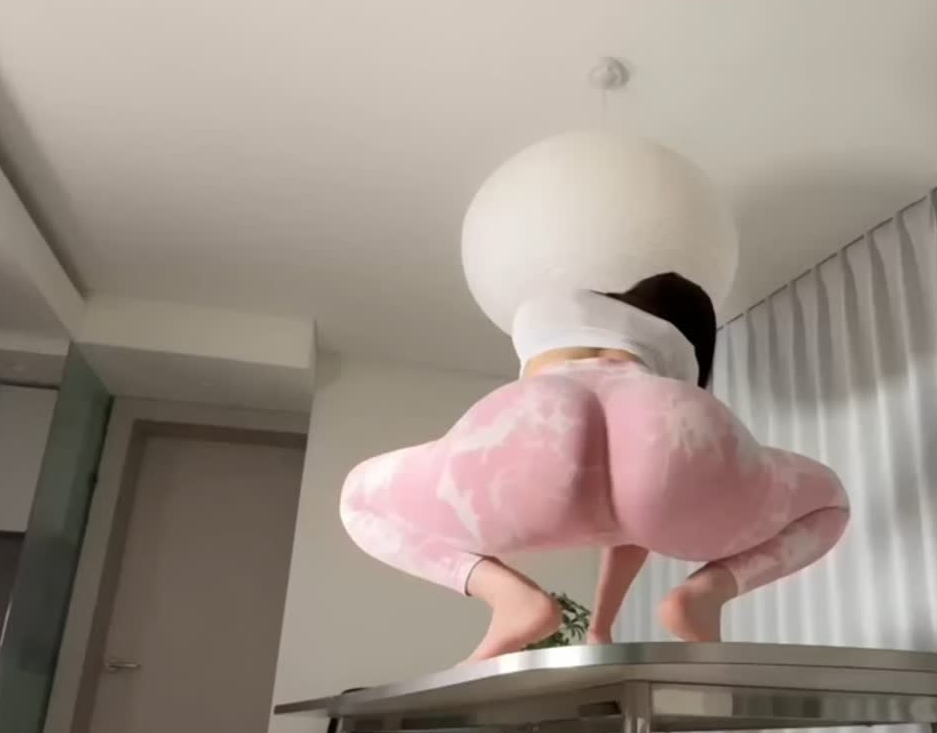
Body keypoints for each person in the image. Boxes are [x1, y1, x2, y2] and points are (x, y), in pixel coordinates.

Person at [340, 272, 849, 662]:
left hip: (532, 427)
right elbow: (636, 516)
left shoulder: (550, 303)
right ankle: (705, 593)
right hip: (668, 422)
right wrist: (600, 627)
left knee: (359, 500)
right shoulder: (677, 355)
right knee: (829, 502)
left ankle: (508, 597)